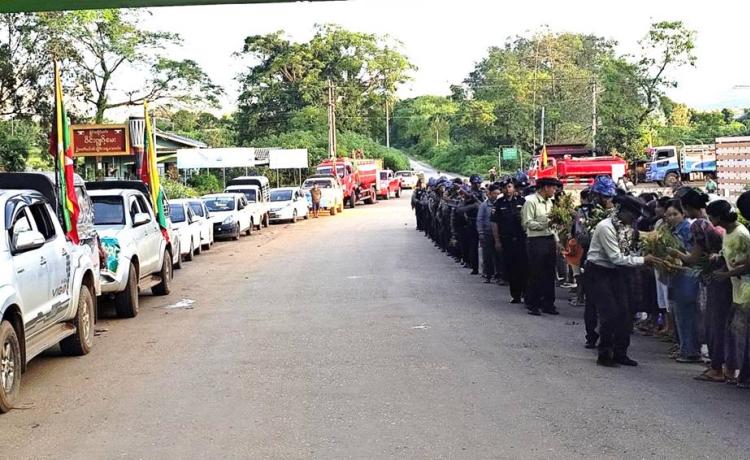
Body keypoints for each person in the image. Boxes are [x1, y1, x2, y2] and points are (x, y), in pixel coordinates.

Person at [585, 194, 660, 367]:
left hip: (618, 272)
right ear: (622, 212)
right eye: (632, 216)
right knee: (610, 314)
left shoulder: (626, 227)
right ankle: (605, 354)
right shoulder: (606, 227)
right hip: (600, 271)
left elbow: (628, 252)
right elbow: (616, 258)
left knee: (626, 313)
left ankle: (620, 352)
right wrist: (643, 260)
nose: (634, 220)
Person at [699, 200, 739, 382]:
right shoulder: (730, 232)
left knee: (721, 326)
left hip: (730, 286)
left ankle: (721, 368)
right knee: (723, 327)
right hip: (729, 284)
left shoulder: (738, 234)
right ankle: (724, 367)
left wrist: (725, 273)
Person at [663, 199, 702, 362]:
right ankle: (683, 347)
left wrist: (676, 255)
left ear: (683, 214)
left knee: (686, 314)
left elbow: (693, 255)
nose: (672, 217)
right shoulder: (669, 230)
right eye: (669, 215)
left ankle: (690, 351)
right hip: (675, 275)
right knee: (678, 313)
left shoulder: (688, 229)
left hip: (687, 275)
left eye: (675, 214)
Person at [521, 177, 561, 315]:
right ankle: (533, 304)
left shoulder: (550, 202)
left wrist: (556, 240)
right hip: (536, 240)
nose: (554, 191)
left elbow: (553, 223)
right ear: (545, 187)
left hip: (549, 240)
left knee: (550, 273)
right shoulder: (530, 201)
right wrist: (544, 225)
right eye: (553, 188)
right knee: (536, 272)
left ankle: (548, 304)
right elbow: (527, 223)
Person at [492, 177, 527, 303]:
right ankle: (515, 295)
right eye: (504, 187)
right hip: (507, 240)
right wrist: (497, 241)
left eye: (509, 187)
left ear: (514, 188)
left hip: (521, 240)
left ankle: (525, 292)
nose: (507, 190)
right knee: (511, 268)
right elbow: (494, 223)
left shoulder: (522, 201)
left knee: (524, 267)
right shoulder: (499, 203)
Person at [477, 182, 501, 283]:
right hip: (487, 233)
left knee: (498, 255)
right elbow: (480, 219)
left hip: (499, 234)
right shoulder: (484, 205)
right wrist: (481, 233)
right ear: (490, 194)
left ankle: (499, 275)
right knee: (487, 255)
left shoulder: (500, 204)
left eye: (498, 193)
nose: (496, 195)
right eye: (495, 193)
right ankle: (488, 275)